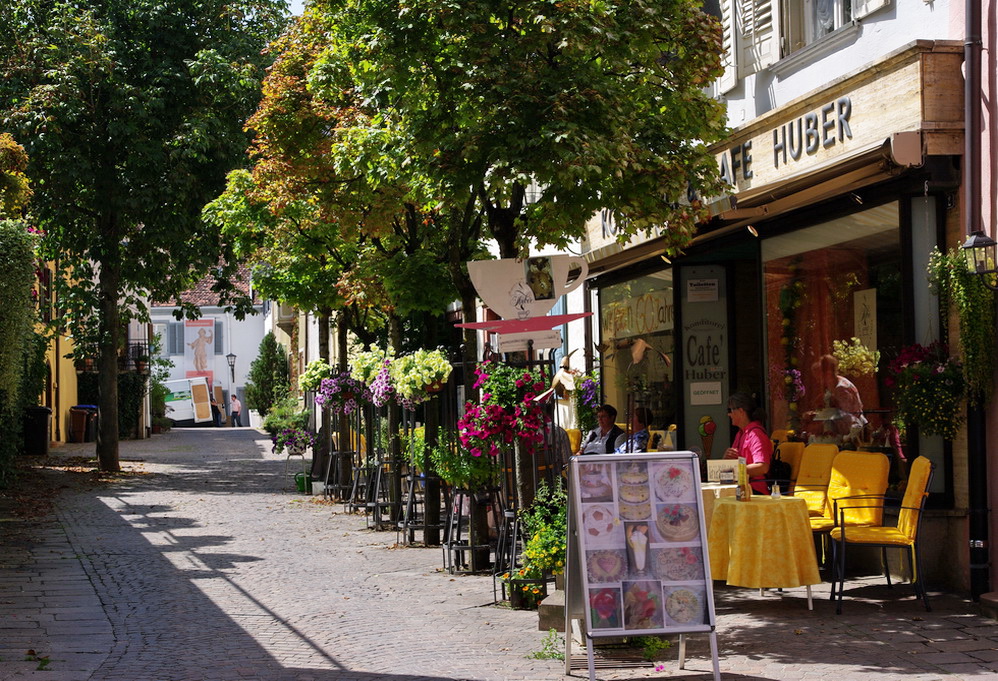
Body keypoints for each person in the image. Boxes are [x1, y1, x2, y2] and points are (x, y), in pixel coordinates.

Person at [723, 392, 772, 494]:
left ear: (741, 411)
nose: (729, 414)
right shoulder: (740, 433)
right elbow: (733, 464)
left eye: (730, 410)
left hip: (755, 490)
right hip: (741, 487)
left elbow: (763, 467)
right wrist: (726, 458)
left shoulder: (756, 434)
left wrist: (735, 471)